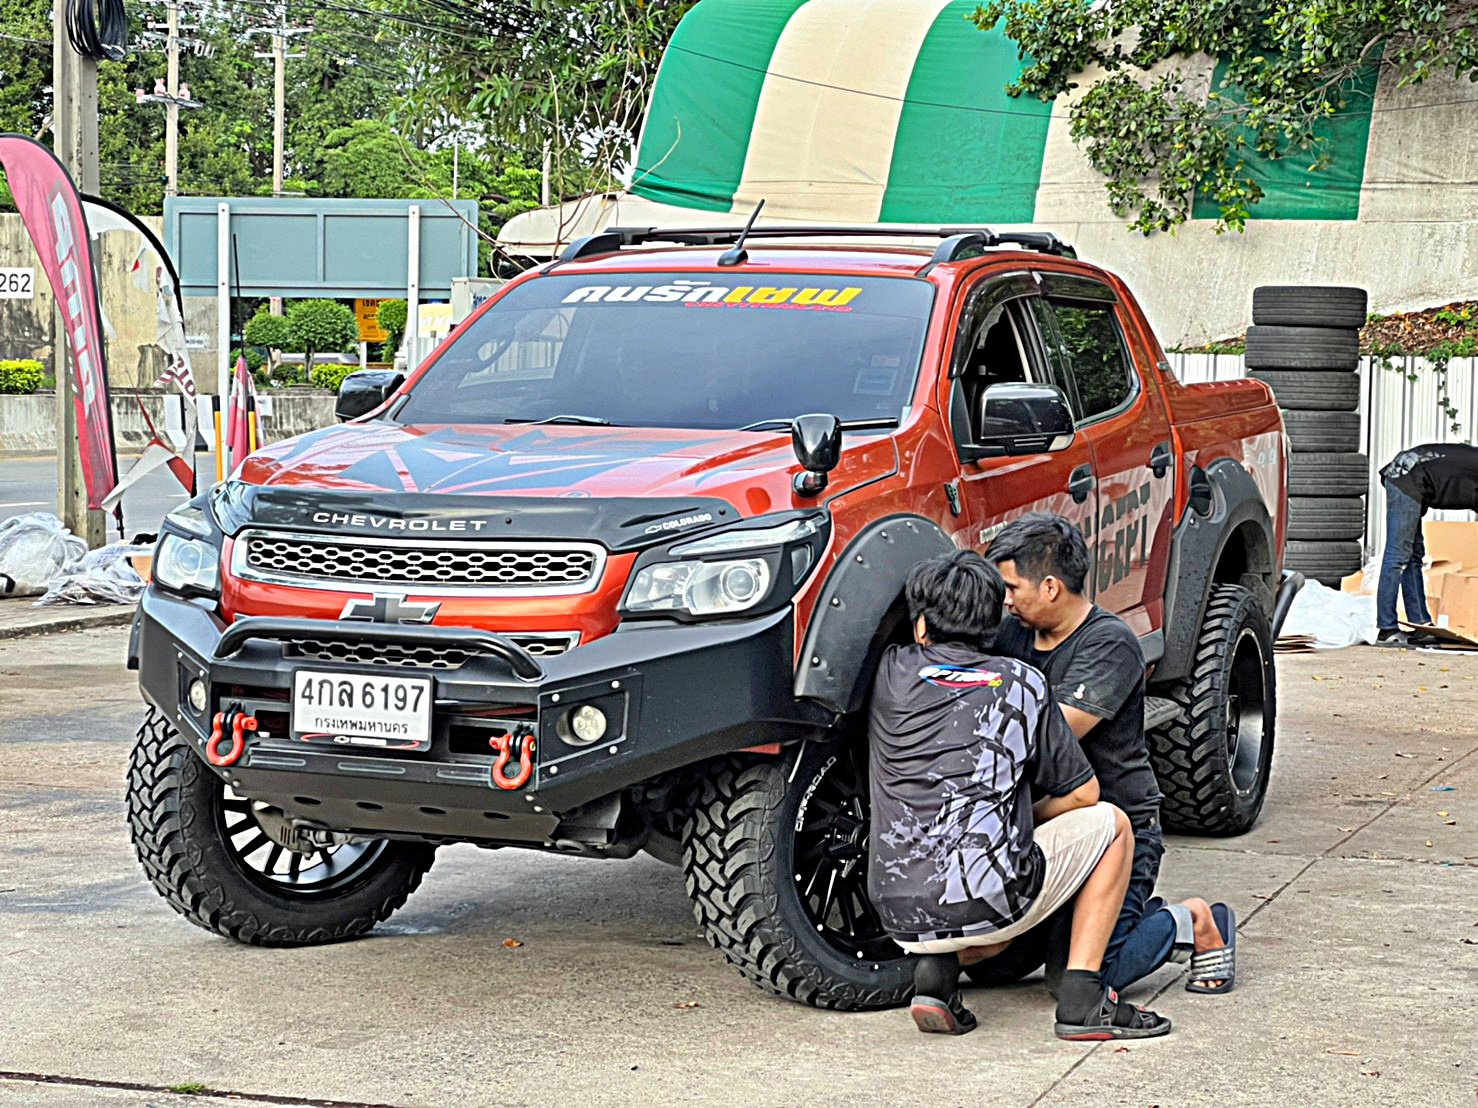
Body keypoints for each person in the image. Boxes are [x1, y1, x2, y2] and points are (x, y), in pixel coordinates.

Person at [868, 548, 1172, 1040]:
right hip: (988, 899)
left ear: (921, 628)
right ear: (994, 625)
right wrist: (1013, 814)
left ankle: (936, 977)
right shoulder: (1022, 684)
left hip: (894, 909)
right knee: (1113, 823)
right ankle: (1084, 998)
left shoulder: (890, 670)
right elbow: (1082, 796)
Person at [988, 513, 1237, 996]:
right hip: (1049, 823)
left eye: (1013, 587)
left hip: (1118, 831)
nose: (1006, 600)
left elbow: (1051, 737)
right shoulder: (1012, 634)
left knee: (1080, 980)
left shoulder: (1109, 644)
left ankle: (1196, 921)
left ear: (1052, 587)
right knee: (991, 967)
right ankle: (1103, 920)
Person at [1375, 443, 1478, 647]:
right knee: (1398, 554)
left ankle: (1420, 625)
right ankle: (1386, 629)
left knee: (1413, 555)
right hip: (1407, 475)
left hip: (1412, 474)